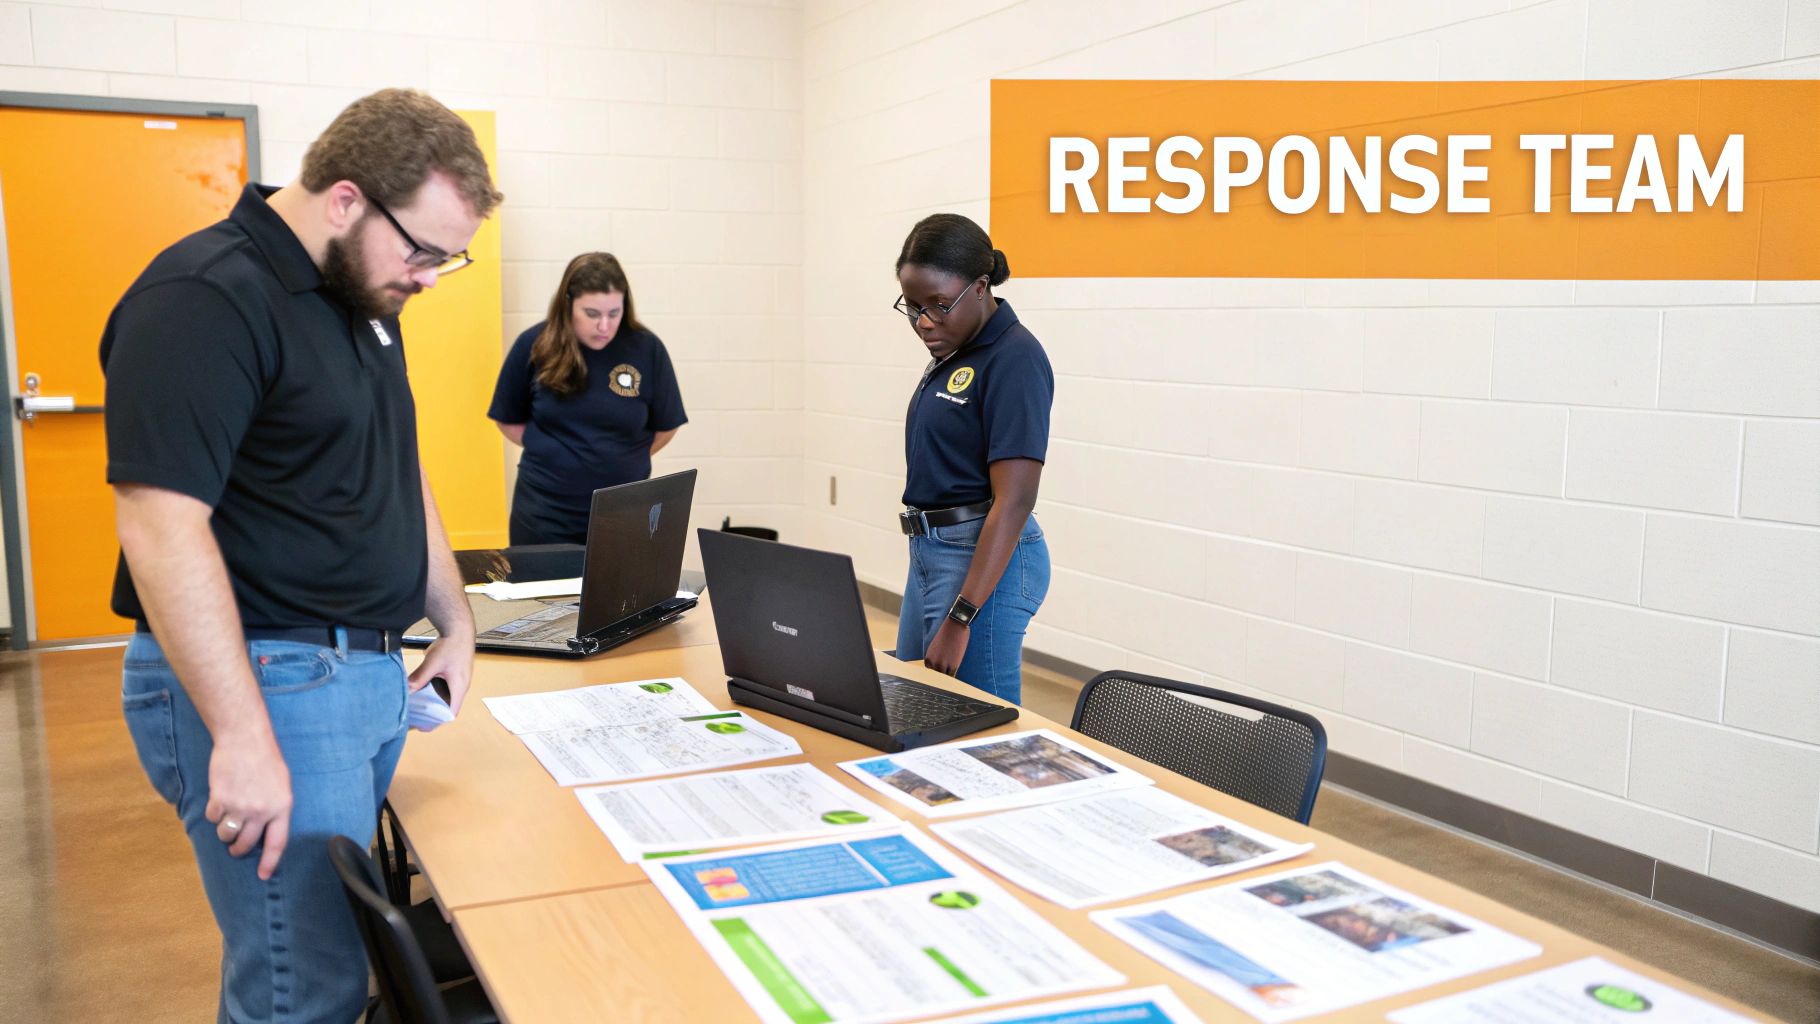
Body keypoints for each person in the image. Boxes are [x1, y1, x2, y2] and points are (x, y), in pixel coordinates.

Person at [103, 88, 500, 1023]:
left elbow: (397, 463)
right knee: (302, 988)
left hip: (357, 674)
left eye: (453, 258)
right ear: (348, 200)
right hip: (267, 680)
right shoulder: (204, 298)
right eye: (426, 251)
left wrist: (453, 618)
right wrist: (240, 737)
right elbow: (161, 526)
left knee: (336, 964)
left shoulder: (360, 295)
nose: (433, 278)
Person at [891, 213, 1054, 705]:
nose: (924, 322)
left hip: (982, 562)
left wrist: (963, 616)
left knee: (980, 731)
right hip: (932, 551)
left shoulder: (1015, 358)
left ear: (981, 286)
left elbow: (1016, 499)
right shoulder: (957, 348)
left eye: (939, 305)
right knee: (913, 705)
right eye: (914, 307)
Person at [488, 252, 686, 545]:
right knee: (540, 592)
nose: (604, 326)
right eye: (592, 314)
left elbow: (666, 426)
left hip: (623, 515)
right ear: (568, 305)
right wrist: (554, 453)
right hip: (544, 517)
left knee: (622, 592)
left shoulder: (647, 349)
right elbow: (507, 419)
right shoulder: (535, 345)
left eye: (614, 313)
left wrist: (622, 457)